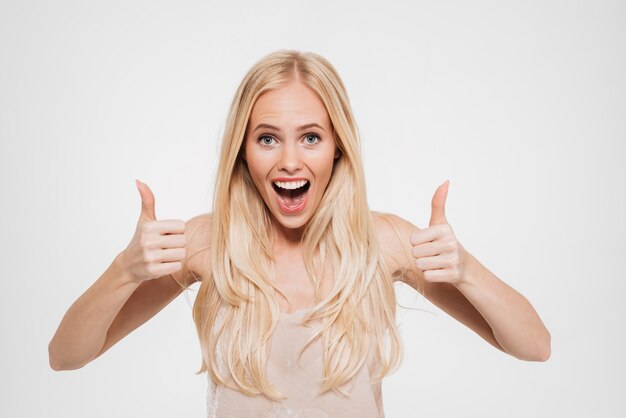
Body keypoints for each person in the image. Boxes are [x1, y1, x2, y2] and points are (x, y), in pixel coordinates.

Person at [49, 49, 551, 417]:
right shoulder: (208, 245)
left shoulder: (382, 242)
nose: (290, 161)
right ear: (243, 151)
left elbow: (534, 346)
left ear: (338, 146)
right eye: (268, 138)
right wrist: (123, 271)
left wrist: (466, 271)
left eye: (311, 137)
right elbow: (66, 357)